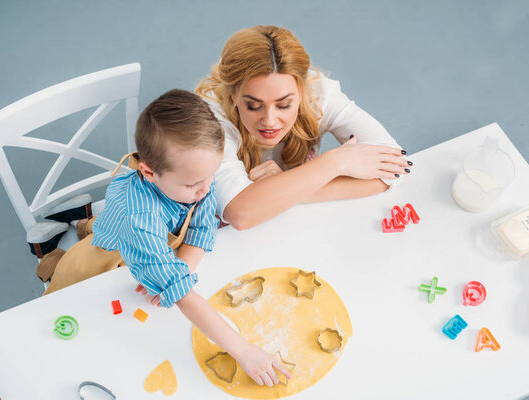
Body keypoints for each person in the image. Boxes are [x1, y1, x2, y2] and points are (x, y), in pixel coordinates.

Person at [41, 89, 291, 387]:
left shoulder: (196, 177)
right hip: (99, 270)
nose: (205, 189)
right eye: (193, 184)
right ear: (148, 172)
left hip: (146, 245)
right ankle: (50, 245)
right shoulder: (141, 220)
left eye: (210, 177)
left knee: (114, 226)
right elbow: (183, 297)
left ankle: (81, 220)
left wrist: (177, 271)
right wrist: (243, 350)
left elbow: (201, 224)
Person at [196, 25, 412, 230]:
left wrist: (287, 189)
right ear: (233, 96)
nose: (270, 121)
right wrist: (336, 161)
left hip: (296, 224)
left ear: (301, 91)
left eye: (284, 105)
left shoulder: (319, 94)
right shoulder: (208, 117)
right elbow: (240, 213)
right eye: (253, 106)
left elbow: (395, 168)